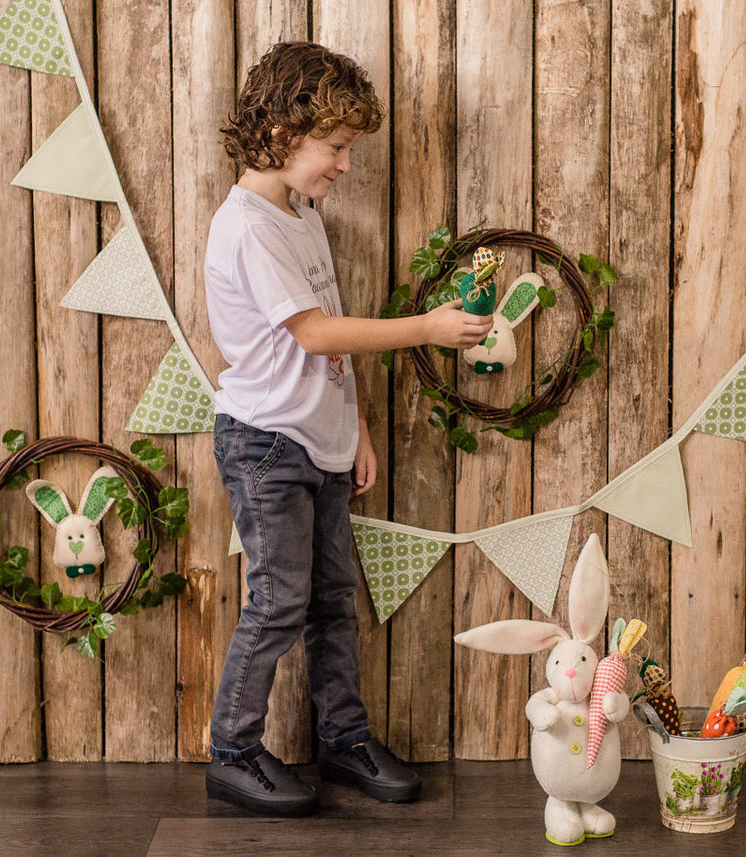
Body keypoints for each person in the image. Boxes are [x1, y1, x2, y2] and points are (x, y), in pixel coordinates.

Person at [203, 42, 493, 816]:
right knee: (278, 600)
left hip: (319, 438)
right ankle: (232, 751)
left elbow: (326, 335)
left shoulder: (300, 217)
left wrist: (355, 424)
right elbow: (316, 333)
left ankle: (343, 737)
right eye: (335, 147)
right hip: (267, 442)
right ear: (281, 132)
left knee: (332, 598)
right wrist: (426, 327)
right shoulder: (248, 228)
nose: (345, 165)